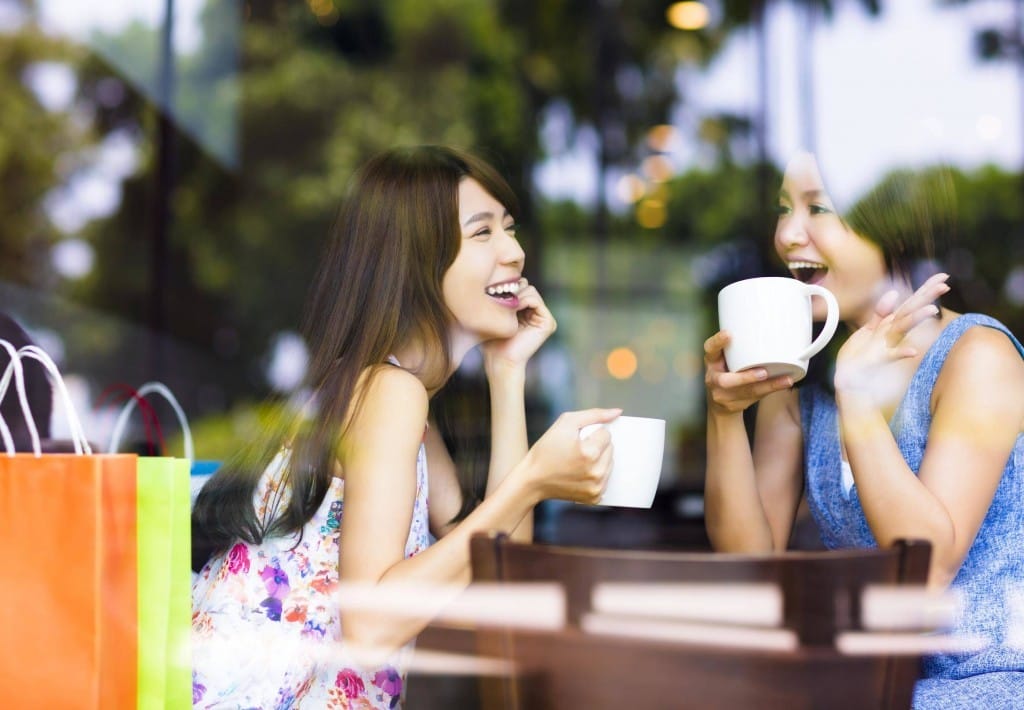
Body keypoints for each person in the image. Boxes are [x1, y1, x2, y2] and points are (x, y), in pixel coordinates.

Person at [190, 145, 619, 709]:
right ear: (419, 259)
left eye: (509, 231)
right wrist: (534, 478)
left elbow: (501, 562)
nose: (514, 252)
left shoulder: (395, 401)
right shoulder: (388, 394)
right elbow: (369, 629)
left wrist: (507, 372)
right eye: (483, 233)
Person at [702, 151, 1024, 707]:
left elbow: (924, 573)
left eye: (816, 208)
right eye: (784, 209)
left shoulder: (979, 357)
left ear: (892, 233)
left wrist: (855, 397)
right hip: (863, 684)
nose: (786, 234)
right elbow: (748, 565)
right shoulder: (802, 376)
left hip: (986, 682)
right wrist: (725, 416)